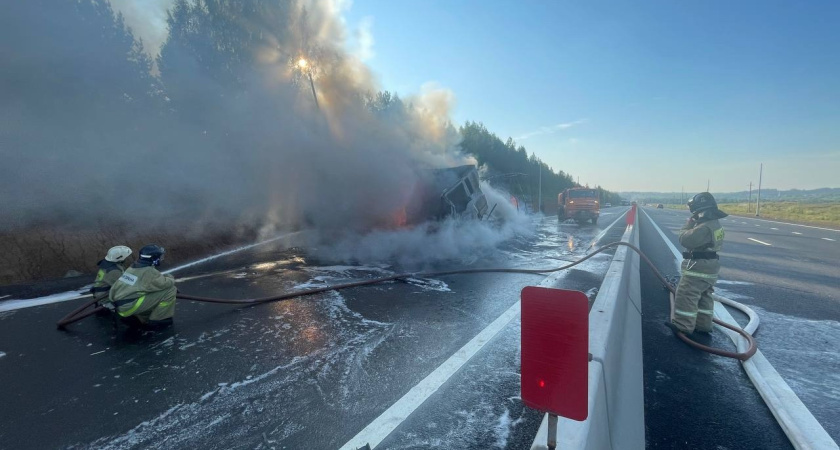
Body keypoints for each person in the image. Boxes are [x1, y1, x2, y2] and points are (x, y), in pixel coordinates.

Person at [670, 192, 728, 335]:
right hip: (710, 265)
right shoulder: (715, 224)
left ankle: (683, 325)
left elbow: (685, 239)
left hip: (698, 266)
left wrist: (688, 224)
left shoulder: (704, 228)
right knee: (704, 296)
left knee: (686, 294)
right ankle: (703, 325)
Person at [109, 244, 177, 328]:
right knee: (170, 290)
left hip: (120, 305)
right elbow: (166, 283)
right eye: (160, 256)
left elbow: (148, 285)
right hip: (128, 307)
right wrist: (170, 277)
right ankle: (158, 320)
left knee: (149, 292)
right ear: (153, 258)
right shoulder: (148, 272)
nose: (161, 258)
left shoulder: (132, 267)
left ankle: (140, 317)